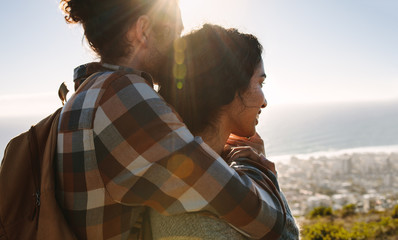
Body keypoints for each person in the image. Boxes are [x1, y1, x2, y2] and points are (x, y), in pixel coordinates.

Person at [57, 0, 287, 239]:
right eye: (175, 32)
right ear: (144, 30)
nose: (180, 44)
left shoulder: (87, 93)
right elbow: (264, 219)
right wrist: (255, 164)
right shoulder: (124, 98)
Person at [153, 24, 300, 239]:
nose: (265, 101)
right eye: (260, 82)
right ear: (230, 88)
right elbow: (287, 235)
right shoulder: (201, 212)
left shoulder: (170, 171)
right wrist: (260, 171)